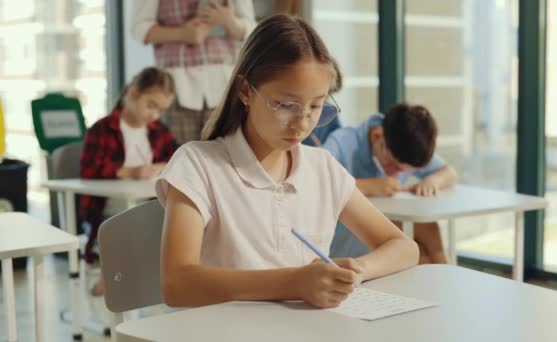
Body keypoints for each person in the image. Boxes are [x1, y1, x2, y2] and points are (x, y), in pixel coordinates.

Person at [155, 15, 419, 309]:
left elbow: (404, 247)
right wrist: (293, 283)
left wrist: (356, 271)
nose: (302, 123)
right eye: (285, 106)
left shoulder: (322, 168)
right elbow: (177, 284)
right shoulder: (198, 166)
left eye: (316, 106)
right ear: (245, 91)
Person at [80, 67, 178, 295]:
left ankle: (145, 276)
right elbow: (89, 169)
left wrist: (162, 166)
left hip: (151, 204)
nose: (155, 115)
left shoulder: (158, 131)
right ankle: (113, 273)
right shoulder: (103, 128)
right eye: (151, 105)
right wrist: (131, 171)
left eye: (161, 110)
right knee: (125, 225)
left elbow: (179, 155)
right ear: (133, 93)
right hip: (110, 209)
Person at [324, 103, 458, 264]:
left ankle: (445, 271)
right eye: (393, 165)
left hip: (376, 240)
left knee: (424, 255)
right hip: (340, 240)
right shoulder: (342, 142)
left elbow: (449, 172)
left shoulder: (407, 145)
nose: (396, 173)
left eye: (406, 171)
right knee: (426, 229)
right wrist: (368, 186)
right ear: (377, 136)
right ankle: (447, 271)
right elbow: (318, 185)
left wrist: (432, 181)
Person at [132, 0, 257, 145]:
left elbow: (252, 31)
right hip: (177, 86)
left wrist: (229, 22)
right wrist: (183, 33)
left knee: (226, 161)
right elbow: (139, 28)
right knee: (179, 159)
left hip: (225, 86)